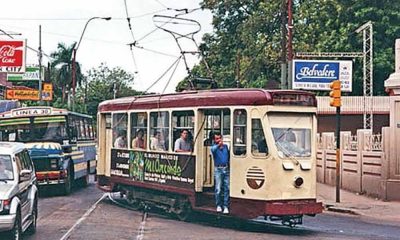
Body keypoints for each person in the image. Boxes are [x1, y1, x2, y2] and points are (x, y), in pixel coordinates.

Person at [211, 132, 230, 214]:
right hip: (218, 169)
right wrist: (218, 145)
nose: (218, 140)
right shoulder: (214, 148)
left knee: (227, 188)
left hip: (226, 168)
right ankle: (218, 205)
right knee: (218, 188)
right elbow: (213, 150)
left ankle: (225, 206)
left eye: (219, 138)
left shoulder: (226, 147)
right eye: (216, 139)